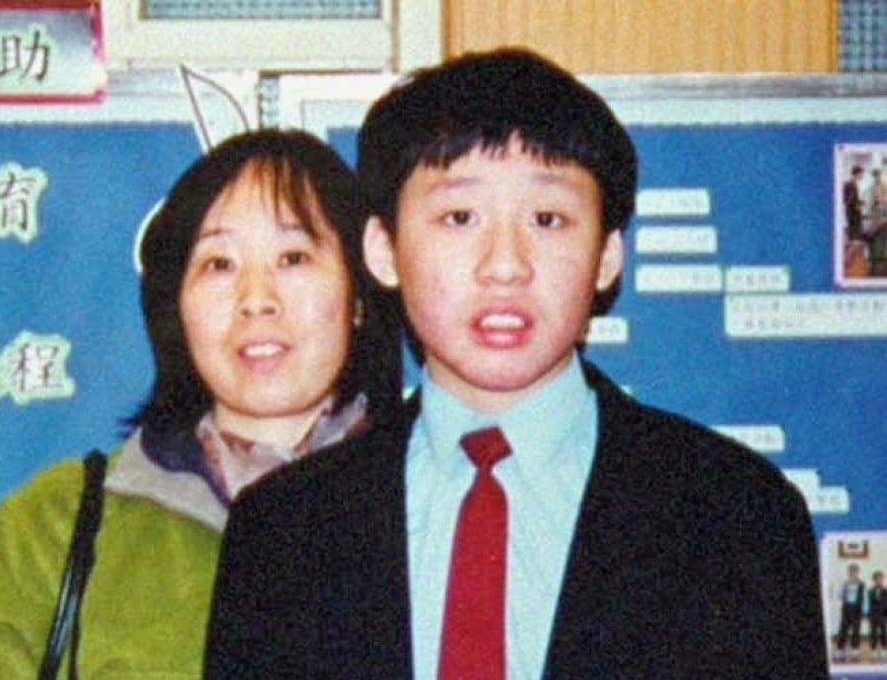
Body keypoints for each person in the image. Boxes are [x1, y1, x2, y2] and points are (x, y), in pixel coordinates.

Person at [204, 49, 827, 678]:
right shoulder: (283, 533)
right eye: (459, 217)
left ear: (607, 256)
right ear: (384, 249)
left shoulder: (737, 517)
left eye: (549, 219)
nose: (505, 263)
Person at [0, 129, 402, 678]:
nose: (256, 299)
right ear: (176, 307)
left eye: (293, 257)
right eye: (219, 264)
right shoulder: (63, 521)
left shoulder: (428, 500)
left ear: (358, 292)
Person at [869, 569, 887, 660]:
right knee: (873, 633)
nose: (879, 580)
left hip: (883, 615)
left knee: (883, 632)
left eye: (881, 579)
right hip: (873, 616)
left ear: (883, 579)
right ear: (874, 580)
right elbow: (868, 604)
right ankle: (873, 649)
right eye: (877, 579)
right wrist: (868, 614)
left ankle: (884, 649)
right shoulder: (870, 591)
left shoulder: (885, 591)